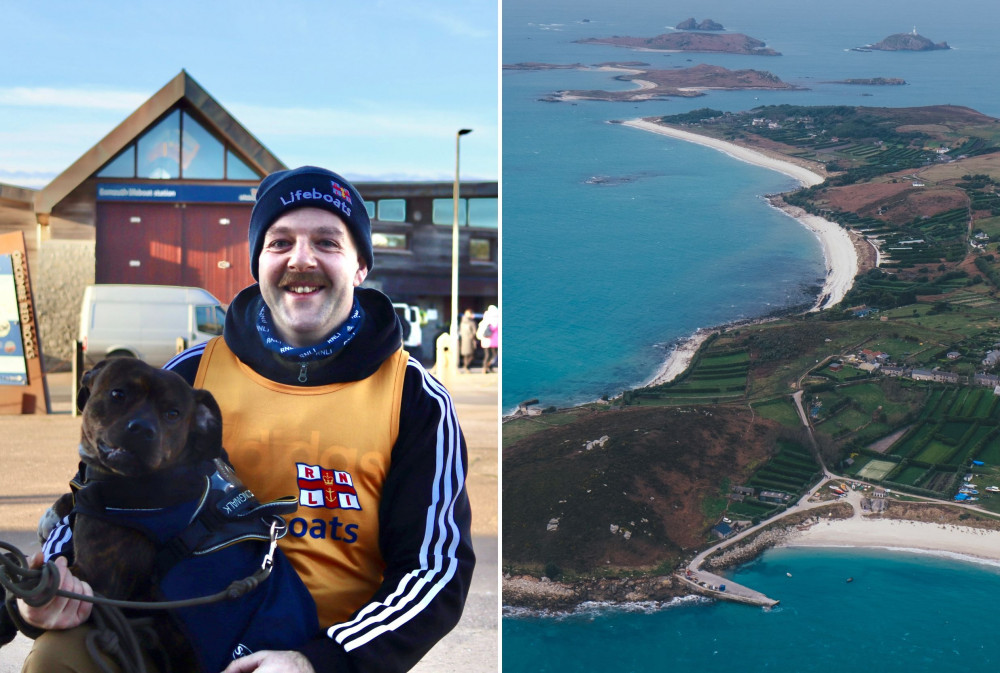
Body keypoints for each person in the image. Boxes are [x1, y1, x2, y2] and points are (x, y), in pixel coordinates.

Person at [11, 166, 475, 673]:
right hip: (165, 629)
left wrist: (316, 661)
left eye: (327, 242)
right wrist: (50, 583)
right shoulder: (187, 378)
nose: (302, 259)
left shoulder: (415, 398)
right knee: (59, 659)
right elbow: (93, 490)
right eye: (280, 243)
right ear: (257, 263)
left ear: (360, 265)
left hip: (326, 650)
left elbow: (435, 571)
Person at [477, 305, 499, 374]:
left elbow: (479, 332)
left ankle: (486, 368)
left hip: (486, 341)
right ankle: (487, 367)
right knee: (493, 355)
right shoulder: (495, 321)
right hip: (493, 341)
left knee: (488, 355)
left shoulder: (484, 321)